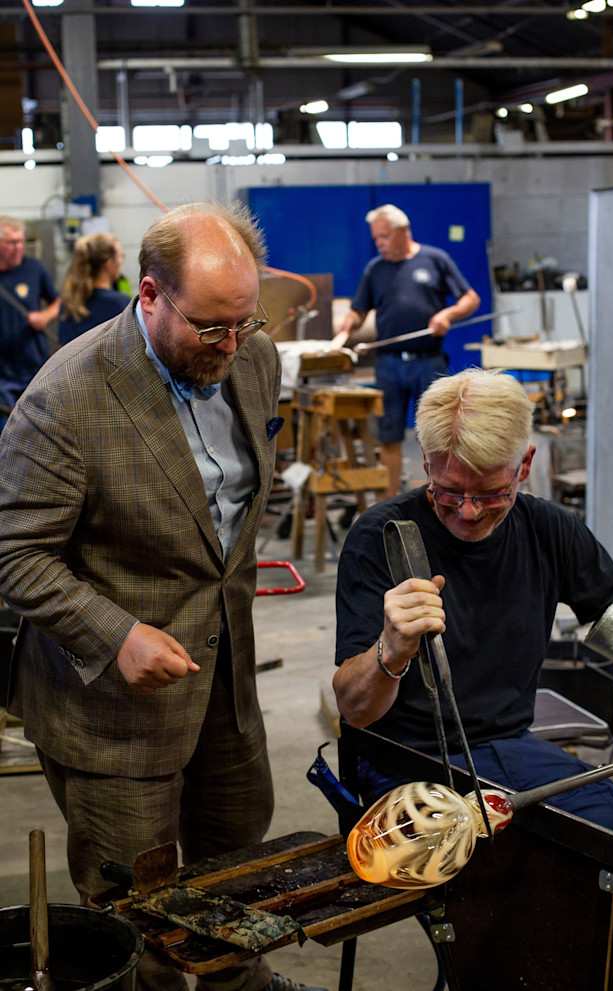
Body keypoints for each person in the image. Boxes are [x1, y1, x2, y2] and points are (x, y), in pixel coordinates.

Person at [0, 202, 326, 991]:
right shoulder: (67, 396)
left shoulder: (253, 359)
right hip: (112, 710)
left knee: (234, 868)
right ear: (149, 295)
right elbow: (14, 552)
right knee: (135, 910)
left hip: (226, 684)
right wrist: (114, 633)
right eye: (210, 328)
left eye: (244, 324)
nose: (230, 346)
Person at [333, 367, 613, 991]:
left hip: (512, 756)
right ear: (426, 460)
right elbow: (355, 708)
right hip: (404, 767)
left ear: (525, 463)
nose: (468, 512)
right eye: (448, 491)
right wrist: (391, 650)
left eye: (491, 493)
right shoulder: (383, 537)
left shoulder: (549, 529)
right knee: (540, 917)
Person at [334, 204, 481, 496]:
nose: (379, 244)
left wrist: (447, 315)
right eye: (376, 238)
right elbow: (359, 310)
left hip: (428, 361)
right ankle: (391, 501)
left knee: (438, 434)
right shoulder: (375, 269)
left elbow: (471, 298)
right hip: (388, 365)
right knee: (388, 436)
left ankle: (440, 494)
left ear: (404, 231)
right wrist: (345, 327)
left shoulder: (435, 259)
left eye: (385, 237)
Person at [0, 215, 61, 412]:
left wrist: (44, 316)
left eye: (21, 241)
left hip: (33, 364)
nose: (19, 247)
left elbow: (58, 302)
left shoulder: (34, 268)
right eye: (12, 242)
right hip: (2, 372)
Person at [59, 231, 131, 345]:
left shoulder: (69, 303)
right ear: (108, 263)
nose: (121, 260)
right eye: (119, 256)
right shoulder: (121, 305)